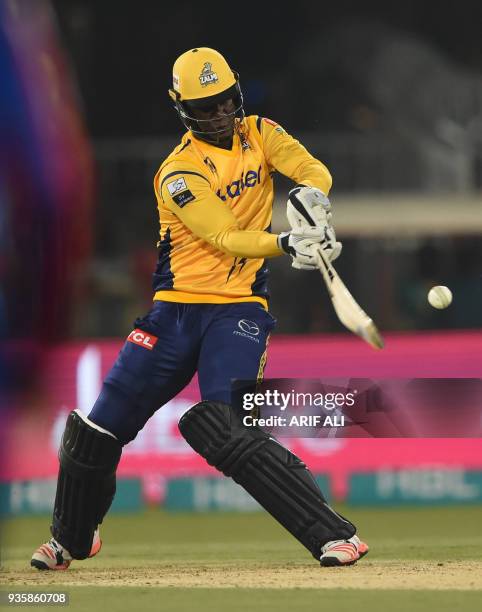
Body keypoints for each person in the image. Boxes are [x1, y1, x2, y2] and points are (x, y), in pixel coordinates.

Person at [31, 47, 368, 571]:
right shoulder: (178, 173)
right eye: (203, 108)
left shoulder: (261, 132)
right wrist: (287, 243)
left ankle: (334, 535)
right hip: (173, 314)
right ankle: (70, 539)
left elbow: (311, 168)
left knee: (225, 427)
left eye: (223, 102)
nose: (218, 115)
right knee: (95, 432)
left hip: (239, 312)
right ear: (182, 109)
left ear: (236, 94)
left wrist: (311, 198)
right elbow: (226, 235)